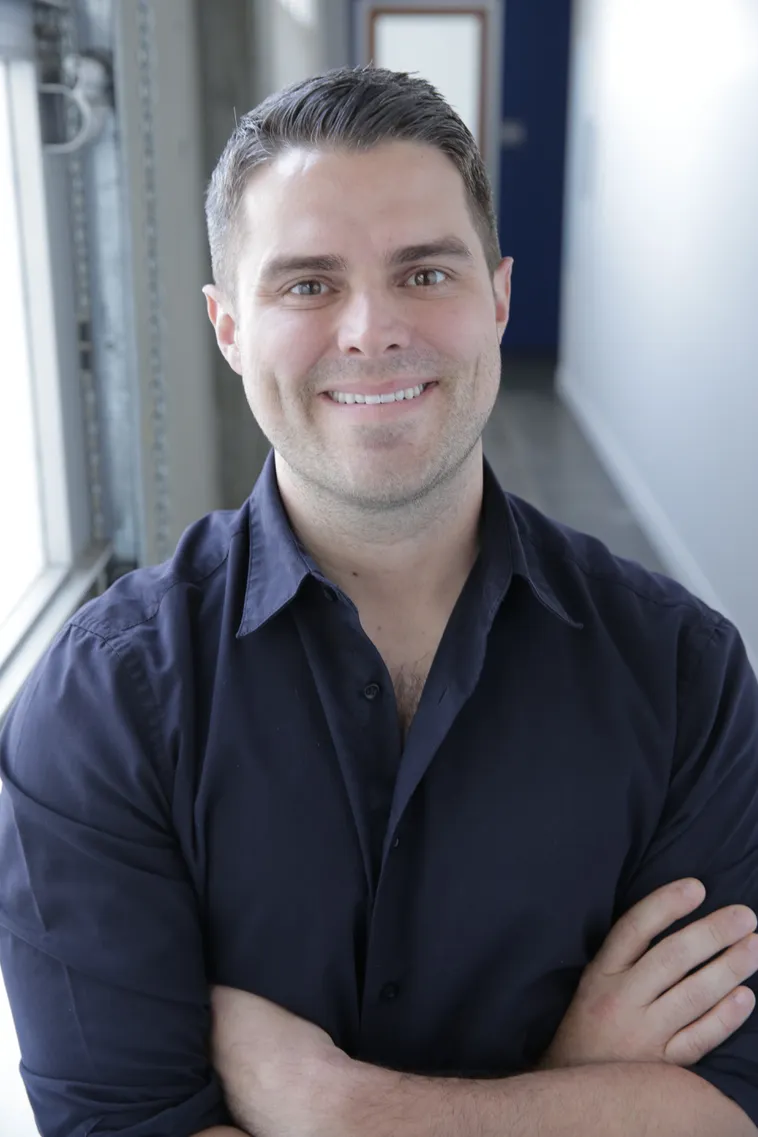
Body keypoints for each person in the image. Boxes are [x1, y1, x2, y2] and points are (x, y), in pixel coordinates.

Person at [1, 65, 758, 1137]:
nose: (370, 330)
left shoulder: (684, 676)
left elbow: (725, 1114)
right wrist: (571, 1087)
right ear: (227, 328)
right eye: (306, 285)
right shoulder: (103, 705)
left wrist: (339, 1108)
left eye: (424, 274)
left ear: (495, 299)